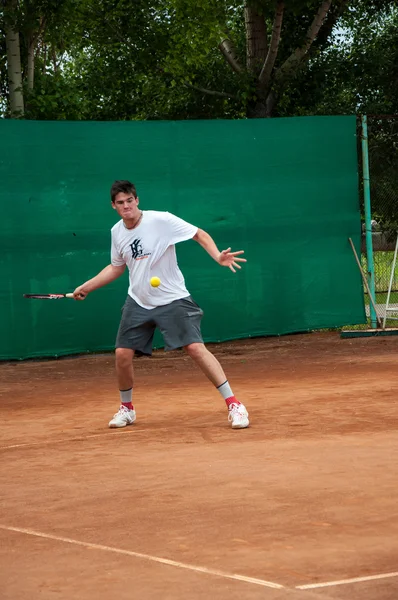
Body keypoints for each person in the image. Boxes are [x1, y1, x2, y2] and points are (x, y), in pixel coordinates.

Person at [73, 180, 249, 430]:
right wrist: (88, 286)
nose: (126, 206)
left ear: (137, 200)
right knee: (122, 354)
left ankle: (234, 404)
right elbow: (116, 267)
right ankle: (127, 408)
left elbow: (199, 234)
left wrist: (218, 256)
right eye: (120, 203)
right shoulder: (117, 232)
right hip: (138, 300)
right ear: (113, 206)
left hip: (172, 299)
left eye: (130, 201)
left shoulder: (161, 220)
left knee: (195, 348)